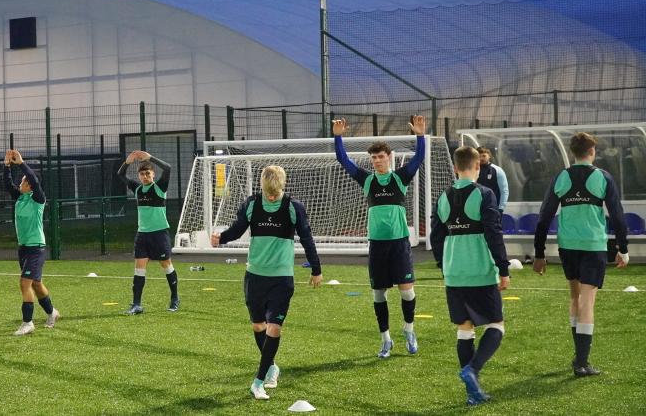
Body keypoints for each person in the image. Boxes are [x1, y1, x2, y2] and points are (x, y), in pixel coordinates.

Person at [211, 165, 323, 401]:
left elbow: (307, 239)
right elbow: (238, 229)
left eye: (275, 193)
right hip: (255, 276)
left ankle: (258, 381)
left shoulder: (294, 207)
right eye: (267, 193)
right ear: (262, 187)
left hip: (282, 278)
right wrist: (221, 238)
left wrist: (316, 268)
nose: (271, 197)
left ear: (282, 186)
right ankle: (271, 366)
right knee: (259, 327)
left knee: (274, 327)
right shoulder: (251, 204)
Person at [532, 132, 629, 377]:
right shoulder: (602, 177)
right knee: (588, 300)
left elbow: (544, 217)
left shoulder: (561, 177)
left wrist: (540, 253)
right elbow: (617, 215)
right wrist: (623, 249)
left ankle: (579, 356)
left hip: (568, 246)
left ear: (573, 153)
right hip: (593, 245)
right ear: (592, 152)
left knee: (575, 297)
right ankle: (582, 363)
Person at [332, 115, 426, 358]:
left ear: (389, 158)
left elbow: (418, 158)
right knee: (379, 293)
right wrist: (338, 137)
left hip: (399, 244)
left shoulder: (400, 177)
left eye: (381, 157)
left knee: (406, 290)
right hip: (377, 245)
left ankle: (409, 330)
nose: (377, 161)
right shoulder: (367, 180)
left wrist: (419, 135)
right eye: (373, 158)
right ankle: (386, 339)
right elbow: (343, 160)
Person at [431, 146, 510, 406]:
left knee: (464, 329)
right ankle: (472, 370)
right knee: (496, 325)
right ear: (477, 167)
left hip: (454, 273)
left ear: (455, 168)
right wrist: (503, 268)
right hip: (479, 271)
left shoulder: (443, 196)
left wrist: (444, 266)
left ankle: (472, 393)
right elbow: (493, 233)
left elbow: (436, 236)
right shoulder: (484, 194)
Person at [4, 149, 60, 335]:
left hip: (36, 248)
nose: (21, 183)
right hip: (24, 248)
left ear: (30, 186)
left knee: (24, 283)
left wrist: (21, 163)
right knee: (36, 284)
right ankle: (52, 312)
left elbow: (34, 180)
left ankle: (28, 323)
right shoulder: (20, 197)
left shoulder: (38, 199)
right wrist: (6, 166)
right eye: (21, 181)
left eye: (24, 182)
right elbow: (7, 183)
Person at [117, 150, 179, 314]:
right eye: (142, 174)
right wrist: (128, 161)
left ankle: (174, 298)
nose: (145, 176)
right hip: (142, 235)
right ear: (139, 176)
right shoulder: (137, 189)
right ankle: (137, 304)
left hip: (159, 234)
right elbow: (121, 174)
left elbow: (168, 168)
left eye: (148, 173)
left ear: (153, 174)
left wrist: (150, 157)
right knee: (139, 269)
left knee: (166, 266)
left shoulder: (159, 187)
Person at [476, 147, 509, 214]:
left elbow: (504, 191)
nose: (481, 158)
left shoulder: (497, 170)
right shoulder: (473, 170)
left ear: (489, 156)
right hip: (477, 209)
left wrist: (501, 208)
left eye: (484, 156)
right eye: (479, 156)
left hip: (493, 209)